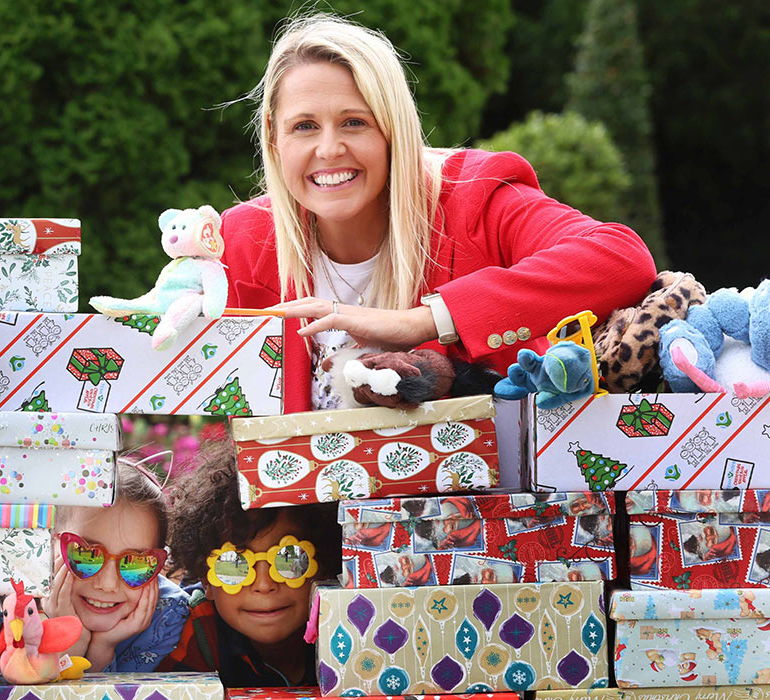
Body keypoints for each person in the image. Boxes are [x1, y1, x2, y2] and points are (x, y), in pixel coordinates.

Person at [219, 14, 657, 412]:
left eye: (355, 122)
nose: (329, 149)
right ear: (274, 138)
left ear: (394, 129)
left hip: (483, 476)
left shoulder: (475, 195)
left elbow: (621, 258)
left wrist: (423, 321)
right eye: (304, 126)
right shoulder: (238, 241)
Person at [157, 439, 341, 686]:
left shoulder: (347, 624)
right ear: (205, 579)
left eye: (290, 557)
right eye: (233, 564)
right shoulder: (195, 634)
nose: (264, 585)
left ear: (325, 565)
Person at [43, 456, 189, 672]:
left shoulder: (168, 617)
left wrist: (102, 649)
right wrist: (70, 642)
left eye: (136, 564)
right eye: (86, 555)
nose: (108, 584)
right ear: (48, 544)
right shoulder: (16, 607)